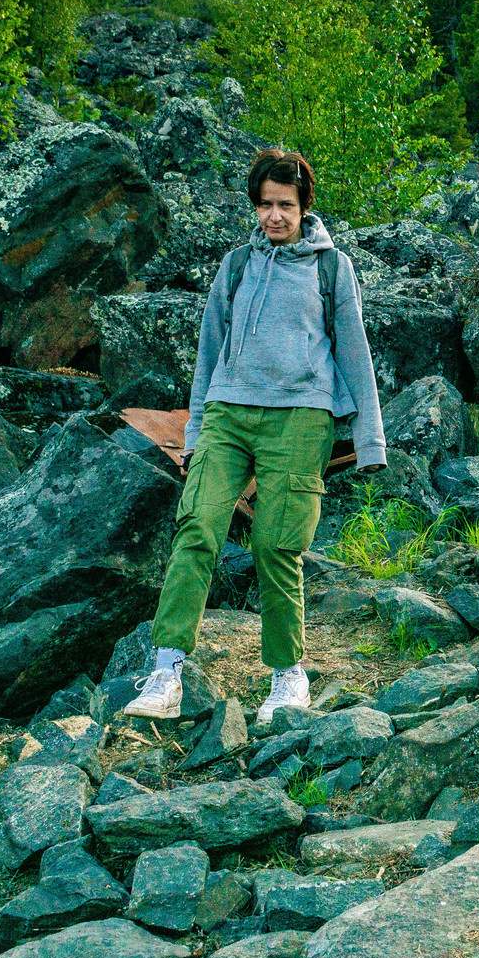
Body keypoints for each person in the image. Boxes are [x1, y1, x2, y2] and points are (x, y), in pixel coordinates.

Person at [121, 147, 386, 724]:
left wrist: (370, 443)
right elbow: (209, 351)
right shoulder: (236, 265)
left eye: (285, 205)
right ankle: (166, 672)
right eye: (265, 205)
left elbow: (355, 353)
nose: (274, 216)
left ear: (304, 206)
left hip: (300, 417)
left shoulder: (331, 268)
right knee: (198, 528)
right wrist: (193, 431)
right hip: (226, 414)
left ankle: (288, 676)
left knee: (275, 546)